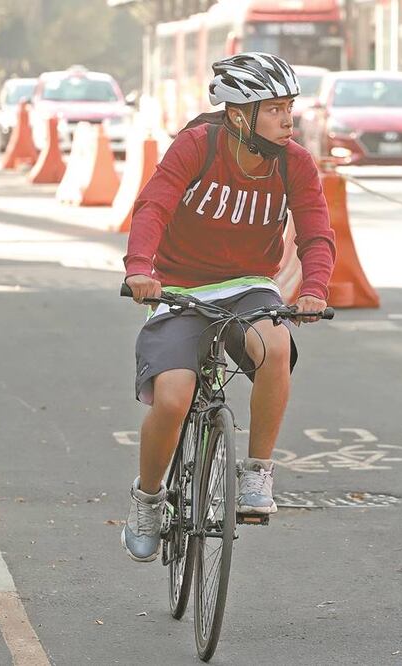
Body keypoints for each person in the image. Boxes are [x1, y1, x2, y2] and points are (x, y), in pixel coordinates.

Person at [120, 52, 336, 562]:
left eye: (290, 107)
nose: (288, 118)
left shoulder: (295, 164)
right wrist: (139, 269)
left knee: (275, 345)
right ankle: (148, 498)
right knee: (172, 399)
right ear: (240, 115)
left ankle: (258, 471)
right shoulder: (198, 145)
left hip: (248, 285)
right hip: (179, 288)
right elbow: (154, 204)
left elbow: (316, 235)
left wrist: (314, 289)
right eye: (275, 108)